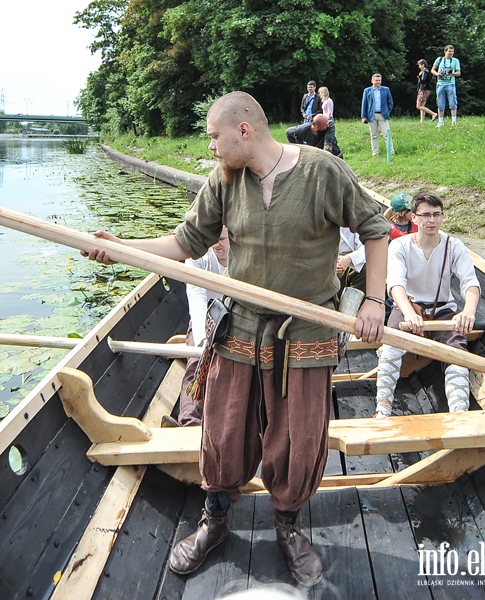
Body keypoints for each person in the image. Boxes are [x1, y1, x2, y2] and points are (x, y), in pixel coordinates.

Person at [83, 91, 390, 586]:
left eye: (214, 136)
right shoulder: (224, 180)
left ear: (244, 129)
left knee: (298, 438)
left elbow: (376, 229)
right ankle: (215, 519)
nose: (211, 147)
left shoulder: (322, 171)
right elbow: (185, 243)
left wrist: (374, 302)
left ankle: (288, 525)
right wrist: (123, 249)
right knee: (223, 431)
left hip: (307, 330)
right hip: (242, 326)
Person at [374, 192, 480, 418]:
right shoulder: (400, 246)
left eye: (436, 215)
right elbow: (396, 285)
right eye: (425, 215)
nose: (431, 220)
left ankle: (459, 415)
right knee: (390, 347)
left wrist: (468, 311)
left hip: (442, 310)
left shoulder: (454, 245)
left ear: (442, 218)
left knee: (456, 356)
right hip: (408, 307)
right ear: (414, 218)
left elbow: (470, 282)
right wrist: (409, 313)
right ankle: (383, 407)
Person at [167, 227, 230, 427]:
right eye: (212, 239)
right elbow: (196, 296)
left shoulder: (245, 253)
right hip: (206, 320)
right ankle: (189, 420)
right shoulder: (198, 254)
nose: (215, 245)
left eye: (221, 239)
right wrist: (203, 341)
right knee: (197, 362)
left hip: (239, 320)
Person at [360, 73, 394, 156]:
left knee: (387, 134)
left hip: (383, 115)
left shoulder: (386, 90)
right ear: (372, 81)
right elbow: (364, 104)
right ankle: (375, 153)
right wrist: (363, 116)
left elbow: (390, 102)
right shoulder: (367, 91)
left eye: (379, 80)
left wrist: (387, 111)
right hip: (372, 115)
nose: (378, 82)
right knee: (373, 135)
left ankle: (391, 152)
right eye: (376, 80)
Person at [431, 45, 461, 127]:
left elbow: (458, 73)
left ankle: (454, 122)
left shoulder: (455, 61)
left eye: (452, 51)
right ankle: (440, 122)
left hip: (450, 84)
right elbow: (432, 70)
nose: (451, 53)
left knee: (453, 103)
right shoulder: (439, 59)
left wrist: (451, 73)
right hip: (440, 84)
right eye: (449, 51)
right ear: (445, 51)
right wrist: (438, 74)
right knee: (440, 103)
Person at [336, 228, 367, 292]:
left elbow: (368, 248)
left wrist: (349, 258)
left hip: (347, 264)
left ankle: (352, 300)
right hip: (324, 266)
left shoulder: (356, 222)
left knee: (364, 268)